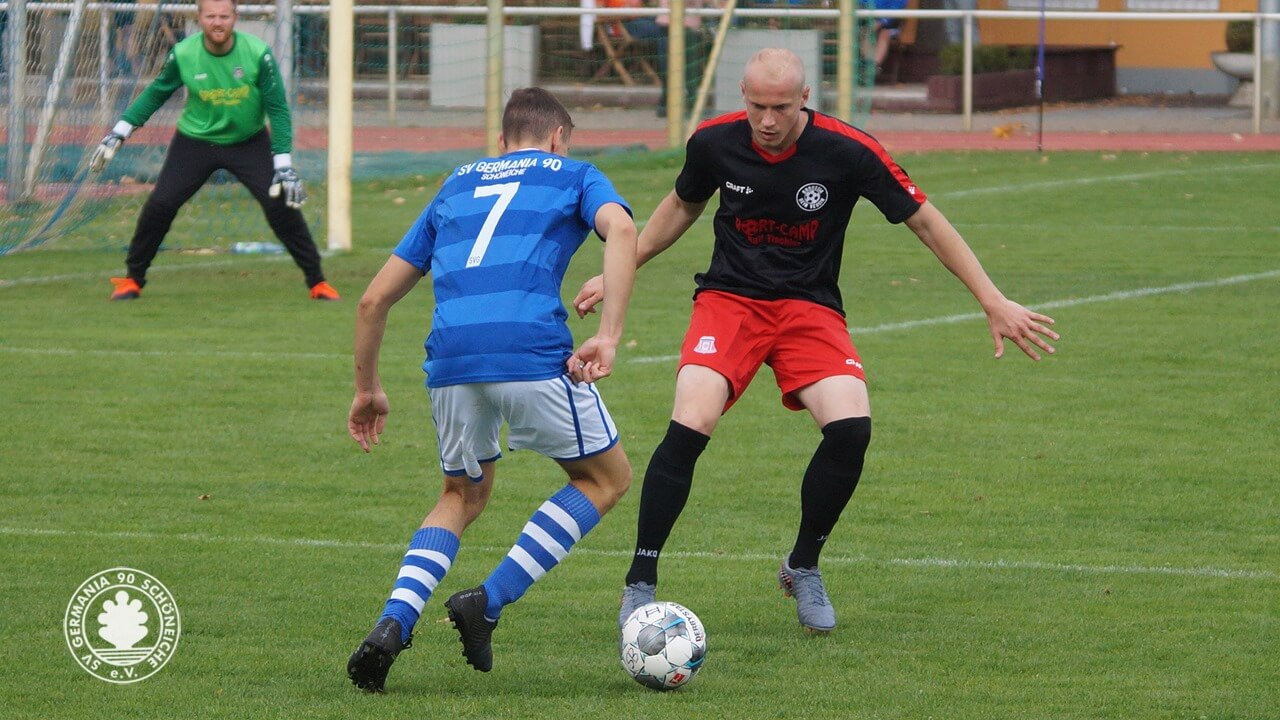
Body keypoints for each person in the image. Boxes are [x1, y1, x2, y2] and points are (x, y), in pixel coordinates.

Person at [573, 48, 1059, 634]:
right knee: (691, 420)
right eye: (757, 107)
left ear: (805, 98)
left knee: (852, 428)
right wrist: (625, 265)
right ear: (743, 99)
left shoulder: (848, 150)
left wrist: (992, 298)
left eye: (781, 107)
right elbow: (682, 204)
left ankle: (802, 564)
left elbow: (924, 219)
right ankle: (640, 581)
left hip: (809, 307)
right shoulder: (713, 143)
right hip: (729, 301)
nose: (768, 121)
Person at [345, 87, 638, 692]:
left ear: (501, 142)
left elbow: (374, 299)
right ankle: (489, 600)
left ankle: (391, 625)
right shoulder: (573, 173)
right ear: (558, 137)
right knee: (605, 478)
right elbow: (624, 230)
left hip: (450, 359)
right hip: (528, 349)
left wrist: (367, 388)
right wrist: (608, 336)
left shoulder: (456, 183)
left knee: (460, 494)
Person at [89, 0, 339, 301]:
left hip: (248, 141)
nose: (217, 22)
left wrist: (283, 162)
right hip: (195, 143)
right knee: (160, 205)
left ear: (235, 17)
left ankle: (317, 282)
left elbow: (278, 109)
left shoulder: (258, 54)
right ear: (200, 18)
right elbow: (156, 93)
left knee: (280, 205)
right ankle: (132, 280)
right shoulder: (183, 53)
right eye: (210, 16)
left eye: (224, 16)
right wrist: (120, 132)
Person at [868, 0, 908, 74]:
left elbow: (897, 9)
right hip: (869, 20)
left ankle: (874, 66)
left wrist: (881, 22)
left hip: (891, 23)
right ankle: (866, 63)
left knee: (885, 34)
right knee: (865, 32)